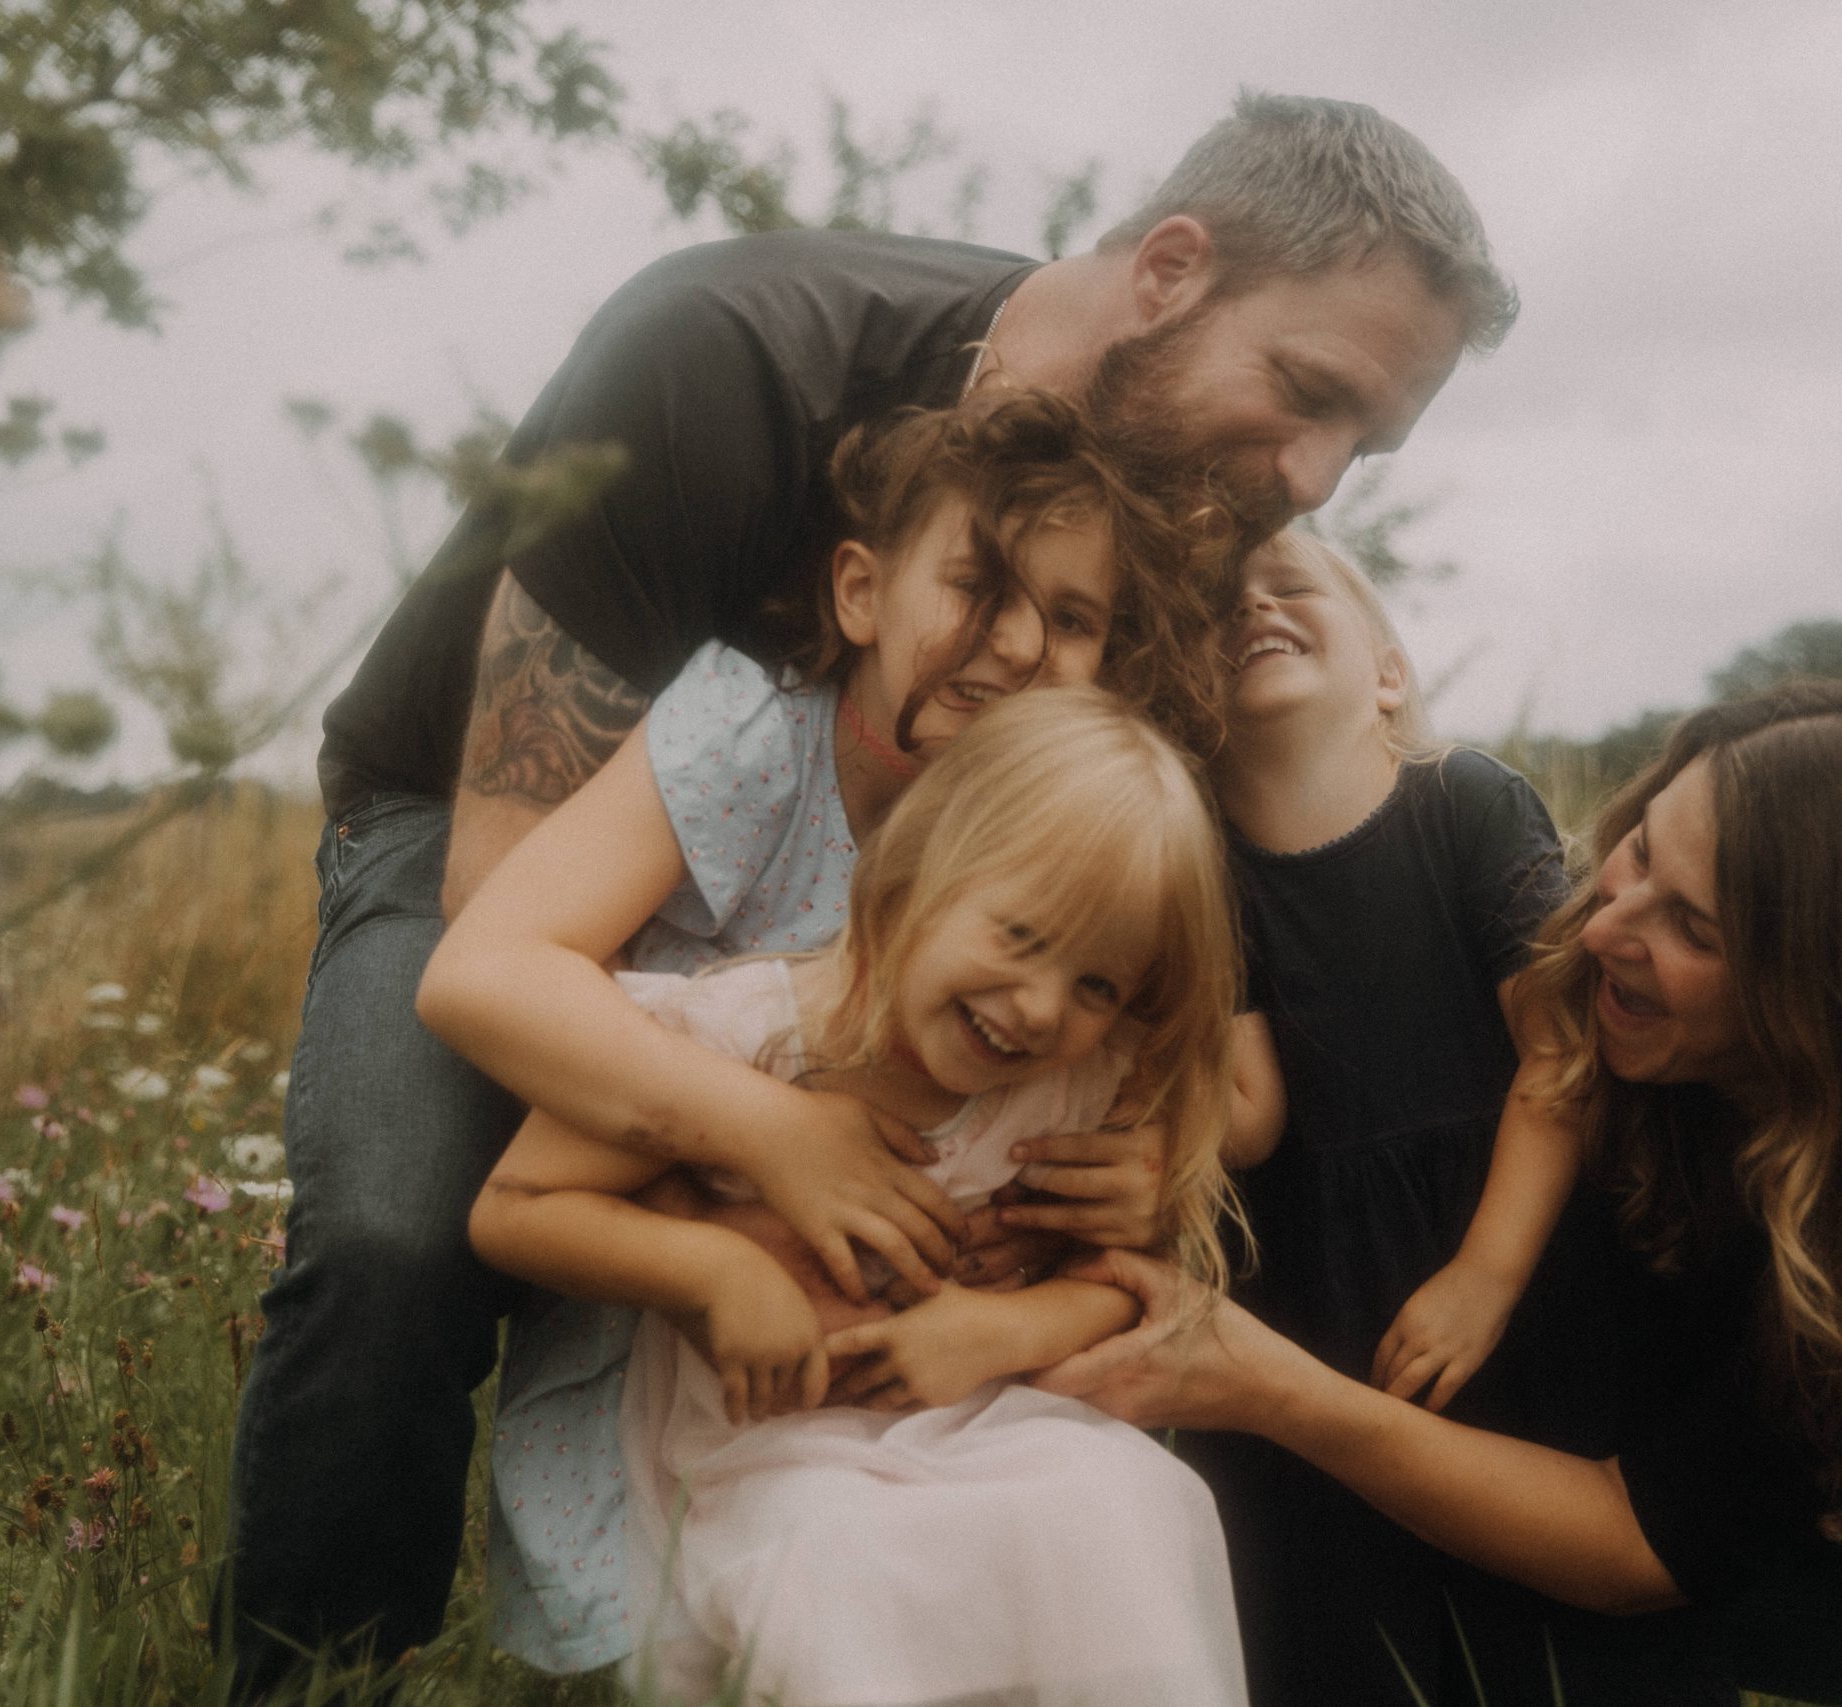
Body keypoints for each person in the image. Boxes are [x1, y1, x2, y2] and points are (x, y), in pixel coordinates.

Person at [227, 91, 1513, 1687]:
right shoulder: (726, 353)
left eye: (1365, 445)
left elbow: (1161, 978)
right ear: (1173, 270)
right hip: (524, 835)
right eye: (1309, 394)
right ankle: (314, 1663)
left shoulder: (1185, 519)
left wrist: (1124, 1147)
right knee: (400, 1221)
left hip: (936, 909)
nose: (1318, 480)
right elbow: (516, 921)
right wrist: (779, 1131)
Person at [1043, 679, 1842, 1707]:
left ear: (1840, 999)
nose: (1607, 924)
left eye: (1694, 929)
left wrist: (1262, 1385)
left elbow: (1633, 1546)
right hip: (1816, 1562)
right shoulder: (1609, 1010)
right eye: (1638, 850)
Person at [414, 388, 1222, 1669]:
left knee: (1109, 1515)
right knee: (834, 1566)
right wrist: (776, 1140)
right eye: (980, 587)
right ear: (860, 592)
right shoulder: (754, 741)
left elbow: (1210, 1069)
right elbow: (480, 978)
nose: (1016, 645)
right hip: (694, 1332)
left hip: (946, 1392)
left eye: (1071, 619)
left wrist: (1151, 1162)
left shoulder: (1085, 876)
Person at [464, 688, 1252, 1705]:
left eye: (1098, 985)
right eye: (1019, 935)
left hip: (988, 1422)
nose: (1042, 1007)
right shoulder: (747, 1035)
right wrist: (717, 1270)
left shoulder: (1076, 1087)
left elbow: (1134, 1281)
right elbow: (518, 1207)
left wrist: (997, 1331)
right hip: (769, 1453)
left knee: (1132, 1499)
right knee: (845, 1562)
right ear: (918, 874)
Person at [1197, 529, 1724, 1704]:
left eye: (1287, 585)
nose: (1250, 604)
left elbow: (1559, 1048)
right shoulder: (1196, 867)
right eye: (1213, 607)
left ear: (1386, 672)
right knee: (1343, 1611)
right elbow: (1249, 1119)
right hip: (1313, 1286)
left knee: (1554, 1633)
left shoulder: (1465, 803)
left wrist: (1486, 1275)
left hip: (1516, 1249)